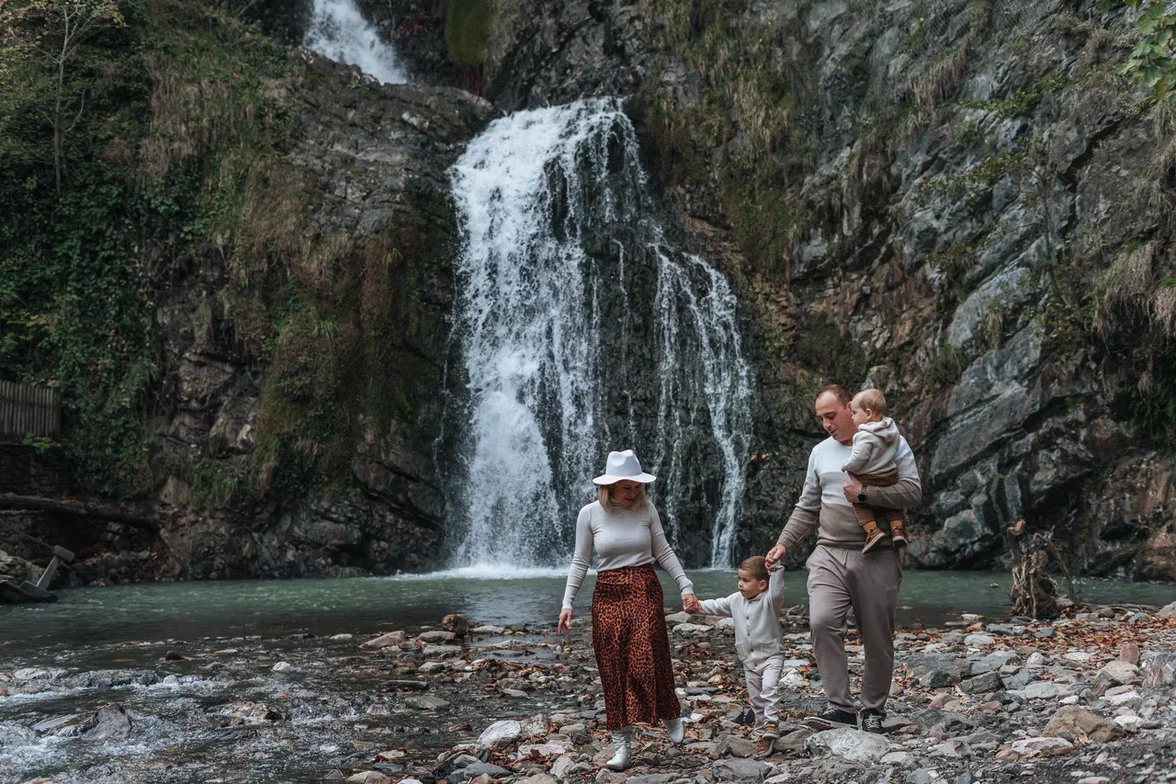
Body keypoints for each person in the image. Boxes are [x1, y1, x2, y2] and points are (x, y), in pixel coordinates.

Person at [765, 384, 921, 734]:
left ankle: (873, 708)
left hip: (877, 553)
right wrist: (783, 544)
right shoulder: (820, 452)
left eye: (830, 416)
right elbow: (807, 506)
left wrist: (865, 493)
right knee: (821, 622)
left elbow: (913, 491)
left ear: (852, 408)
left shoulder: (891, 443)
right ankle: (841, 707)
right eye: (820, 418)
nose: (826, 424)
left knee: (877, 636)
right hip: (829, 551)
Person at [558, 449, 701, 771]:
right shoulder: (590, 514)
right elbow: (580, 561)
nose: (633, 492)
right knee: (612, 667)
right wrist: (567, 603)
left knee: (648, 655)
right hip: (607, 593)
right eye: (627, 487)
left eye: (637, 486)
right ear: (608, 487)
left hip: (643, 586)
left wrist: (685, 584)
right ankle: (622, 745)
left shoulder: (646, 509)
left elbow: (662, 549)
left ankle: (669, 712)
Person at [696, 555, 786, 757]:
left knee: (769, 688)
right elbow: (717, 605)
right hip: (748, 659)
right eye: (739, 579)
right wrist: (697, 605)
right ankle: (761, 730)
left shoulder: (770, 600)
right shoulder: (735, 600)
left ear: (762, 584)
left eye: (746, 580)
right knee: (756, 698)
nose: (740, 584)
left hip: (772, 655)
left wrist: (776, 567)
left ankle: (771, 724)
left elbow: (777, 589)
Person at [841, 388, 908, 552]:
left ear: (868, 413)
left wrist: (846, 466)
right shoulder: (891, 429)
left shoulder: (864, 435)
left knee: (858, 501)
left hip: (872, 477)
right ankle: (897, 529)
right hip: (891, 474)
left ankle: (873, 531)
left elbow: (859, 458)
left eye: (855, 413)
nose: (852, 417)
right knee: (892, 504)